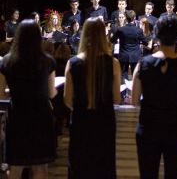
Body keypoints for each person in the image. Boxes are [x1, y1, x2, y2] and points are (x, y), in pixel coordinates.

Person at [131, 15, 177, 179]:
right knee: (174, 174)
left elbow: (134, 101)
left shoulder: (143, 64)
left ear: (156, 34)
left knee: (148, 174)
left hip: (148, 127)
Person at [64, 17, 121, 179]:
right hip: (105, 122)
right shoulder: (113, 64)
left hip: (81, 121)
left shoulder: (73, 63)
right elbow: (116, 99)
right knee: (103, 166)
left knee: (79, 166)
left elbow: (68, 100)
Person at [0, 19, 57, 179]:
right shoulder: (47, 61)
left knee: (16, 167)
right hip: (41, 117)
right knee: (40, 168)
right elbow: (51, 94)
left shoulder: (7, 61)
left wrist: (16, 90)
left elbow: (1, 94)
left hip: (18, 116)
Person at [111, 10, 147, 83]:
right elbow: (145, 42)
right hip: (135, 56)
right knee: (135, 76)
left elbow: (112, 40)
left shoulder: (120, 29)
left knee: (123, 76)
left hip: (123, 55)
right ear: (134, 18)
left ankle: (124, 93)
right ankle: (134, 93)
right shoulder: (138, 30)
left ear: (125, 18)